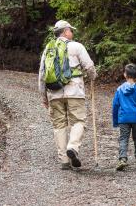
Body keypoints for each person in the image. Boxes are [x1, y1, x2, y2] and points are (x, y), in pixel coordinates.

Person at [38, 20, 97, 170]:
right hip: (74, 91)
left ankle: (64, 160)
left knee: (59, 125)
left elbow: (42, 74)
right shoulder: (77, 46)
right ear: (65, 32)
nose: (72, 32)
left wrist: (43, 96)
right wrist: (92, 77)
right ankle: (73, 147)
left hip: (54, 93)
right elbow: (89, 66)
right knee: (78, 121)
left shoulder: (48, 49)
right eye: (71, 30)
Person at [112, 63, 136, 171]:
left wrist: (115, 121)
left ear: (125, 75)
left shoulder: (119, 90)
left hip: (123, 118)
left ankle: (122, 159)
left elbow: (115, 106)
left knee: (123, 138)